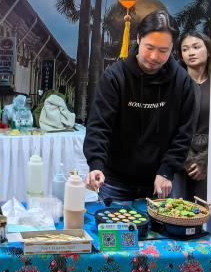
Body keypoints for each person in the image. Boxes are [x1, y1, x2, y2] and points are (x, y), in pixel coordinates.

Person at [83, 10, 196, 202]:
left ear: (172, 48)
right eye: (149, 47)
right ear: (138, 39)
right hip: (115, 181)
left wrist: (167, 170)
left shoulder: (182, 81)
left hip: (159, 182)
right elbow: (99, 126)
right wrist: (96, 165)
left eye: (163, 51)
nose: (154, 56)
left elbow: (184, 133)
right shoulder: (115, 77)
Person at [175, 30, 211, 201]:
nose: (190, 52)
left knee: (208, 210)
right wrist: (188, 160)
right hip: (178, 157)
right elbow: (167, 126)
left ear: (208, 50)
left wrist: (206, 159)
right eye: (185, 49)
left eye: (196, 47)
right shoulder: (175, 85)